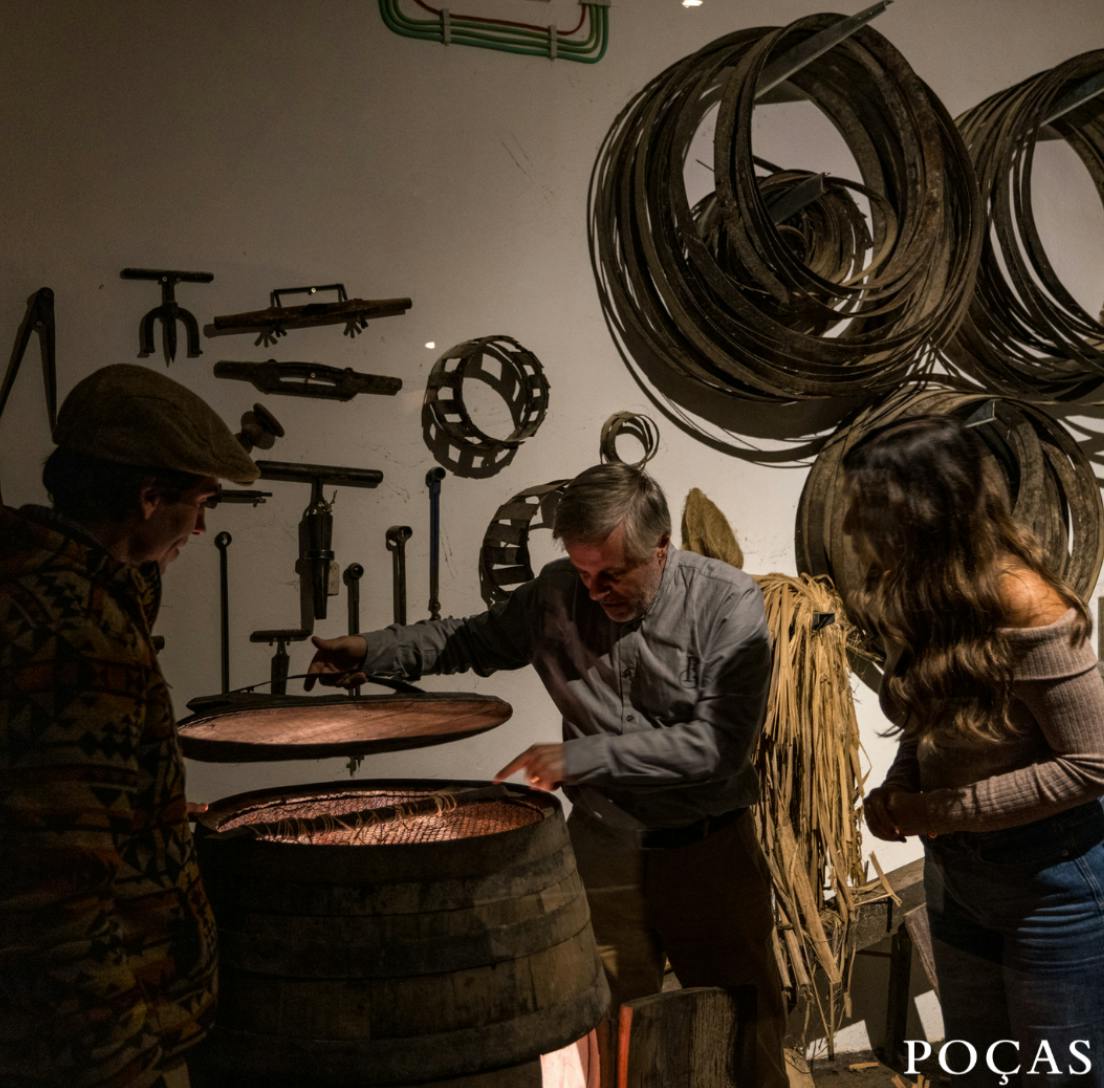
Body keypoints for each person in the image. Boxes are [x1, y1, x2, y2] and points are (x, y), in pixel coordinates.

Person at [307, 462, 790, 1087]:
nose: (596, 591)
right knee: (606, 1021)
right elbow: (469, 640)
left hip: (707, 851)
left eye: (612, 574)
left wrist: (583, 758)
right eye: (584, 572)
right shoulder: (557, 593)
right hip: (604, 846)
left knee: (744, 1026)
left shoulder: (726, 602)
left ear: (661, 546)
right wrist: (373, 651)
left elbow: (719, 745)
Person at [0, 364, 259, 1088]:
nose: (200, 528)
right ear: (149, 498)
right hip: (99, 1047)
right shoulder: (77, 635)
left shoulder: (43, 582)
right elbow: (58, 901)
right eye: (199, 504)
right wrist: (123, 1065)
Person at [846, 416, 1104, 1086]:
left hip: (1052, 886)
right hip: (960, 876)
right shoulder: (930, 594)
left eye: (865, 508)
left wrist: (937, 809)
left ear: (922, 512)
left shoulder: (1029, 603)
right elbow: (930, 719)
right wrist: (900, 787)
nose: (848, 526)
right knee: (977, 1071)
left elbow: (1092, 764)